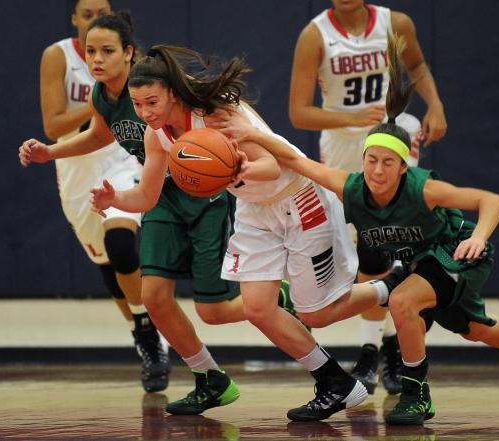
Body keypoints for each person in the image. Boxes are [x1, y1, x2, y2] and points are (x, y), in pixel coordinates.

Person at [212, 33, 499, 425]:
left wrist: (479, 238)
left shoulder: (424, 189)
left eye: (387, 163)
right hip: (421, 262)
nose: (377, 171)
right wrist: (252, 137)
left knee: (402, 301)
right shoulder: (352, 187)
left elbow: (491, 200)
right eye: (371, 161)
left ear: (403, 166)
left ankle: (416, 395)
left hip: (455, 251)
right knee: (475, 329)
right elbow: (298, 160)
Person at [90, 44, 410, 421]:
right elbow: (146, 195)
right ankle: (335, 382)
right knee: (259, 308)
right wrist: (115, 198)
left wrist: (237, 170)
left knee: (318, 314)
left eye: (151, 103)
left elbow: (272, 166)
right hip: (256, 211)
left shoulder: (217, 115)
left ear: (172, 93)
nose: (145, 113)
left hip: (299, 197)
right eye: (138, 105)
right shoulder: (155, 136)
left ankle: (393, 284)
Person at [18, 12, 253, 415]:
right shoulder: (100, 95)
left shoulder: (151, 87)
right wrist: (49, 151)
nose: (96, 59)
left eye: (107, 51)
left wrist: (239, 146)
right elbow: (98, 134)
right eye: (91, 51)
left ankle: (276, 295)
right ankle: (209, 378)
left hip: (199, 193)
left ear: (129, 53)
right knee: (154, 298)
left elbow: (216, 109)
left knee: (213, 309)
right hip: (157, 190)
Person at [289, 0, 448, 395]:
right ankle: (376, 345)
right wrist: (352, 118)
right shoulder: (315, 35)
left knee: (396, 239)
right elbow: (298, 113)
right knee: (367, 249)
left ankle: (380, 350)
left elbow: (417, 66)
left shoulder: (396, 22)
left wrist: (436, 104)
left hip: (392, 136)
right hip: (343, 146)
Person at [19, 0, 168, 393]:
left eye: (99, 13)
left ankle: (151, 329)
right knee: (106, 263)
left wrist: (119, 101)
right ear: (74, 19)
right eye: (85, 15)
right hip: (76, 162)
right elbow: (53, 124)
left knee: (120, 243)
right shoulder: (59, 56)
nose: (92, 23)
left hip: (122, 156)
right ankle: (142, 329)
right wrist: (104, 100)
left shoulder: (131, 69)